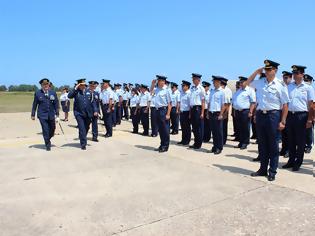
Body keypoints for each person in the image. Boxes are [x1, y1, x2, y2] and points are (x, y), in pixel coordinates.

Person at [245, 59, 289, 181]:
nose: (267, 71)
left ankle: (272, 171)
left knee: (273, 145)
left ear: (275, 70)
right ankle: (262, 169)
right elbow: (246, 83)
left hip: (273, 116)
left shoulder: (280, 85)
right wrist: (256, 72)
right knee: (262, 144)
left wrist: (283, 121)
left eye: (270, 69)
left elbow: (285, 105)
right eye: (266, 69)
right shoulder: (260, 82)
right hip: (260, 115)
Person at [282, 65, 315, 171]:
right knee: (290, 140)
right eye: (294, 73)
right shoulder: (289, 86)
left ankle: (298, 162)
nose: (294, 75)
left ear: (302, 74)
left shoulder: (308, 88)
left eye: (297, 73)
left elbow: (311, 105)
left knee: (300, 141)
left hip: (302, 116)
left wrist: (310, 119)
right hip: (290, 116)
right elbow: (285, 103)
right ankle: (291, 161)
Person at [68, 78, 98, 150]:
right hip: (79, 113)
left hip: (88, 113)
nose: (83, 86)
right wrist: (75, 88)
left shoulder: (89, 92)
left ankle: (82, 136)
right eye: (81, 85)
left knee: (86, 127)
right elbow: (69, 96)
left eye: (84, 85)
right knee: (82, 128)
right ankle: (83, 144)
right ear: (78, 85)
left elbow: (93, 102)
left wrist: (95, 110)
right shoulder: (76, 92)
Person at [31, 78, 59, 151]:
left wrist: (57, 114)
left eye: (47, 84)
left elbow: (56, 103)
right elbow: (34, 104)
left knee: (52, 129)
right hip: (42, 115)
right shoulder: (38, 93)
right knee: (45, 130)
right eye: (44, 84)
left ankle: (47, 138)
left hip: (51, 114)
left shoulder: (52, 92)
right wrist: (33, 114)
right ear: (41, 85)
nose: (46, 85)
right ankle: (47, 144)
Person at [232, 76, 256, 150]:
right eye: (240, 82)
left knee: (245, 128)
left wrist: (251, 111)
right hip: (238, 111)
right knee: (239, 128)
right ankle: (241, 142)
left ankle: (245, 142)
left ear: (247, 82)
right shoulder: (238, 91)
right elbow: (234, 101)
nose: (241, 83)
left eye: (242, 82)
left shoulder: (250, 90)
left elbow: (253, 102)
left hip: (245, 111)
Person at [150, 75, 172, 152]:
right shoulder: (156, 89)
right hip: (157, 110)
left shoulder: (167, 90)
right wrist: (152, 84)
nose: (159, 82)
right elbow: (151, 92)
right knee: (160, 129)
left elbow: (170, 103)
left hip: (164, 110)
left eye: (160, 81)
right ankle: (162, 144)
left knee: (165, 129)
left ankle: (165, 146)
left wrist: (168, 114)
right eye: (158, 81)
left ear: (163, 82)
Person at [208, 76, 227, 154]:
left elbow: (224, 104)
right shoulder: (212, 91)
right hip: (211, 113)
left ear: (219, 82)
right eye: (213, 82)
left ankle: (219, 147)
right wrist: (207, 113)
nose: (213, 83)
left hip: (217, 113)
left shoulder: (222, 92)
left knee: (219, 131)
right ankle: (214, 146)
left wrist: (221, 114)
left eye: (214, 82)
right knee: (213, 131)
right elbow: (209, 103)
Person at [189, 73, 205, 149]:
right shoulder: (192, 88)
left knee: (198, 127)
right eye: (193, 79)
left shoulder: (201, 89)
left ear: (198, 80)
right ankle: (196, 142)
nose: (193, 80)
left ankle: (199, 144)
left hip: (198, 109)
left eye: (194, 79)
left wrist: (202, 112)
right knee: (194, 127)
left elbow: (203, 101)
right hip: (192, 109)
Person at [279, 71, 293, 157]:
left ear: (290, 78)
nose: (284, 79)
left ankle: (289, 150)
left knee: (289, 133)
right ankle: (284, 149)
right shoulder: (281, 87)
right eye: (284, 77)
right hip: (281, 112)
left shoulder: (292, 87)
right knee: (283, 133)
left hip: (290, 113)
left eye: (286, 77)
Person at [177, 80, 191, 146]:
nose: (182, 87)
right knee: (183, 127)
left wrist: (190, 114)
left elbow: (190, 105)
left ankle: (187, 140)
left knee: (187, 127)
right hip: (182, 112)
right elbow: (179, 102)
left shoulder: (189, 94)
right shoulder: (181, 93)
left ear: (187, 86)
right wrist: (178, 109)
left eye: (184, 86)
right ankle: (183, 140)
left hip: (187, 112)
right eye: (182, 86)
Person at [303, 74, 314, 153]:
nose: (306, 82)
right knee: (302, 131)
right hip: (302, 112)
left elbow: (313, 104)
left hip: (310, 113)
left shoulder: (311, 90)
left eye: (307, 81)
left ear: (310, 81)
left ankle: (309, 145)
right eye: (305, 81)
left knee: (309, 131)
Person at [221, 78, 232, 145]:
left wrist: (225, 113)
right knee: (219, 126)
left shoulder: (228, 91)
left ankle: (223, 140)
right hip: (218, 110)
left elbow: (228, 103)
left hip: (225, 110)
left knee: (224, 126)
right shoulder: (220, 90)